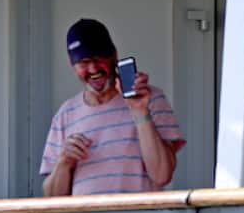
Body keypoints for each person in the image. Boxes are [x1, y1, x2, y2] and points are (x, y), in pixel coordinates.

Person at [41, 18, 185, 196]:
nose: (93, 69)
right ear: (73, 66)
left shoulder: (150, 98)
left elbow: (162, 175)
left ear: (114, 56)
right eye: (83, 62)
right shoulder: (65, 113)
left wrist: (140, 112)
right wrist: (64, 162)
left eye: (98, 58)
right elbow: (52, 198)